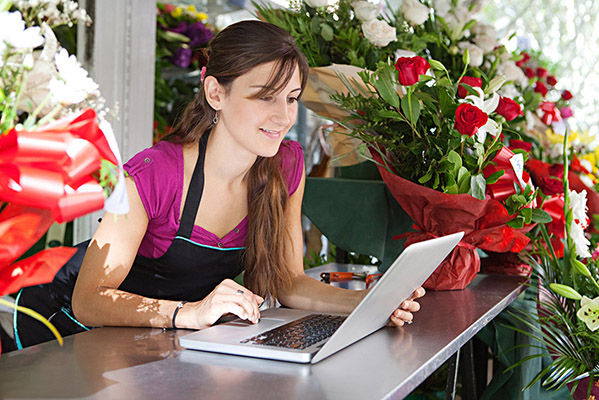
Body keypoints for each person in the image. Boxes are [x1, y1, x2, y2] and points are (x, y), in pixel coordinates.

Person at [4, 21, 423, 348]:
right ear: (215, 93)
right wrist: (190, 312)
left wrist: (372, 304)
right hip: (63, 326)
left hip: (156, 336)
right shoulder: (154, 173)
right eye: (265, 96)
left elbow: (288, 281)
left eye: (291, 98)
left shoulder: (285, 165)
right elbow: (90, 299)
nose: (283, 116)